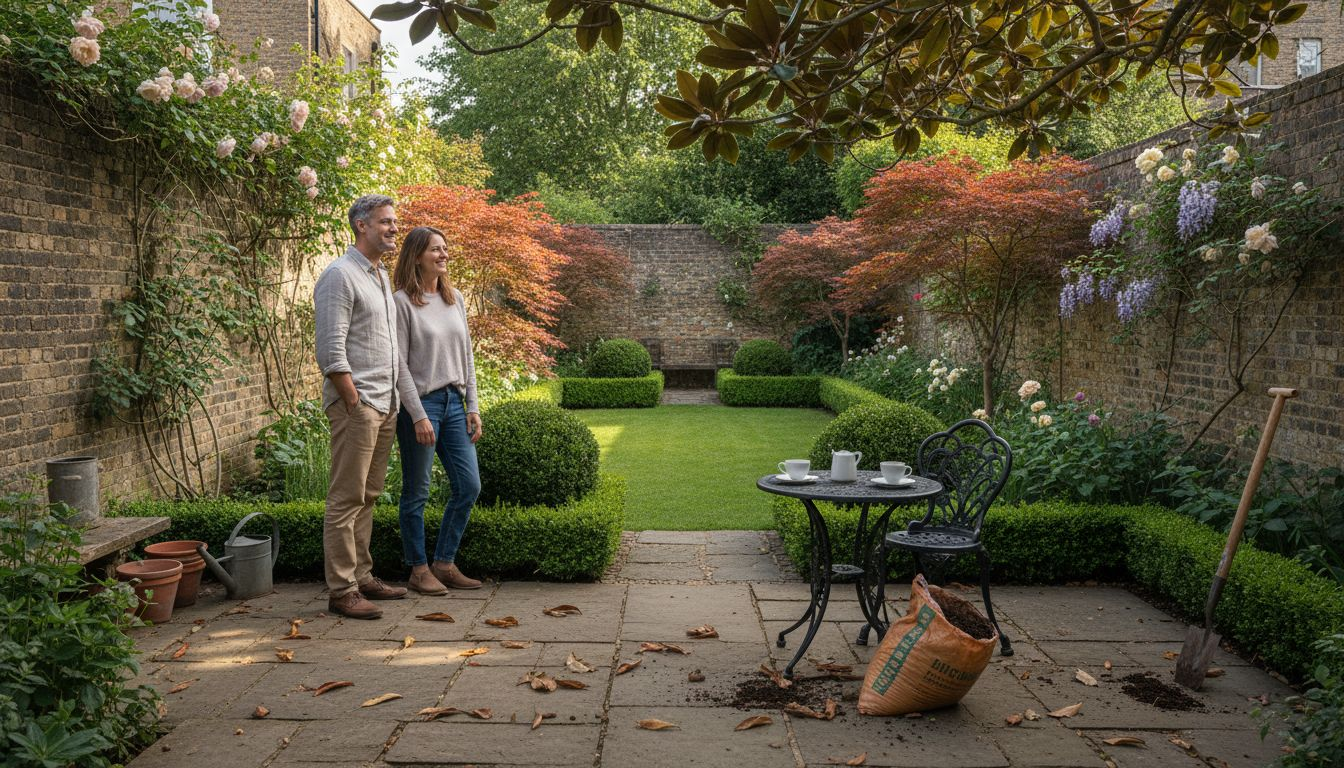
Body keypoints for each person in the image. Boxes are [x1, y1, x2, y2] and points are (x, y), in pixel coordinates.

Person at [313, 194, 409, 620]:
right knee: (346, 497)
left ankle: (363, 576)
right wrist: (354, 401)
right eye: (385, 222)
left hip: (384, 403)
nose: (393, 228)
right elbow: (331, 350)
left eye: (394, 222)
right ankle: (342, 590)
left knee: (368, 495)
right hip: (360, 405)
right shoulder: (339, 275)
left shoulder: (379, 275)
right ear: (361, 226)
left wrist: (391, 402)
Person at [391, 226, 484, 594]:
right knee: (417, 491)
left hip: (454, 403)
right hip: (422, 403)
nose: (443, 255)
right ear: (416, 256)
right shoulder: (401, 302)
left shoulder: (454, 298)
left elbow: (467, 356)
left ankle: (444, 563)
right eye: (435, 249)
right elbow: (398, 364)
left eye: (445, 248)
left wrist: (472, 405)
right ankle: (418, 569)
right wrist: (417, 414)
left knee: (468, 485)